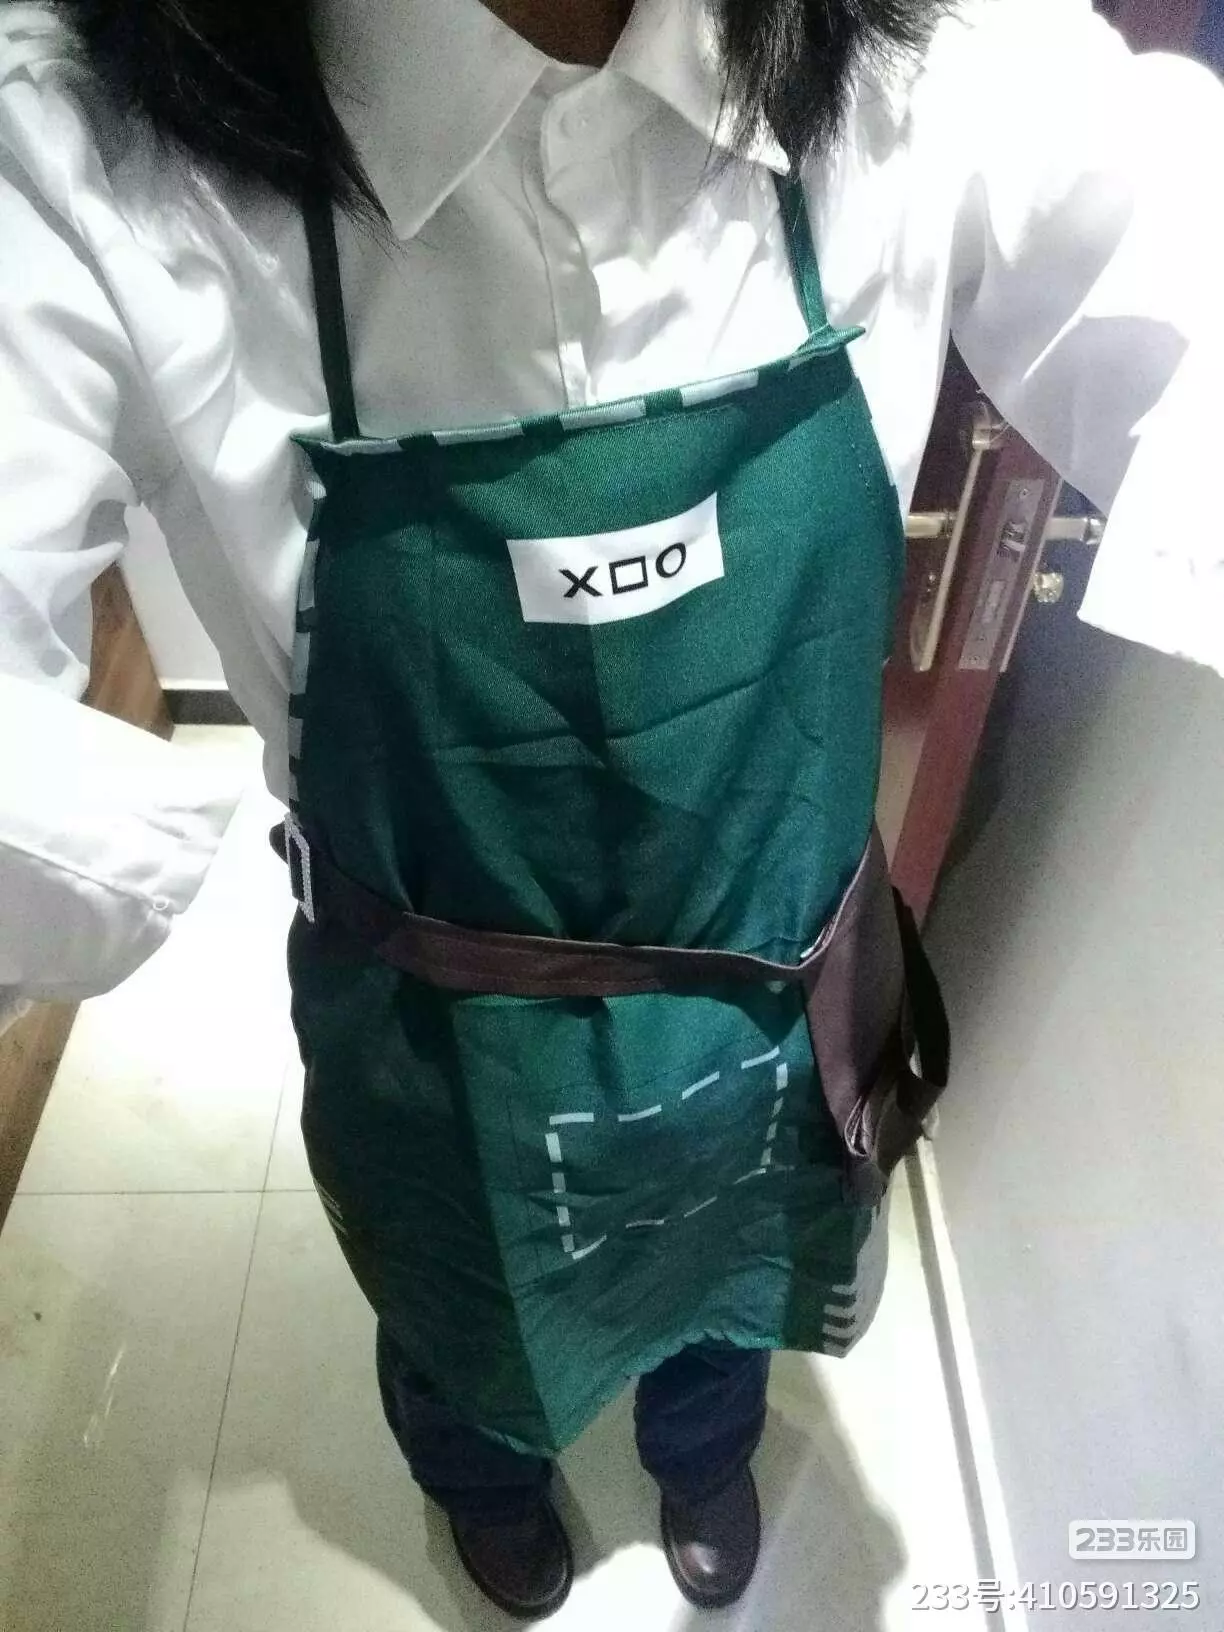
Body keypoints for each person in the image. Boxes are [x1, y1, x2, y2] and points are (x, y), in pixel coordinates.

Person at [1, 0, 1221, 1617]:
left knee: (733, 1283)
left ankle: (703, 1458)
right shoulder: (79, 154)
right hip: (444, 1044)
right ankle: (484, 1490)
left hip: (777, 1002)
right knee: (462, 1321)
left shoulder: (938, 56)